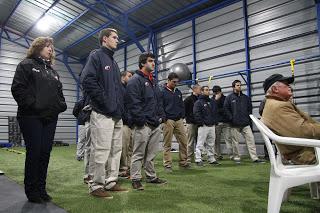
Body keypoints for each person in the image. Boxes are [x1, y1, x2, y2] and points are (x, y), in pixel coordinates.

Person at [11, 37, 67, 203]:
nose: (50, 49)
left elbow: (60, 96)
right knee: (34, 152)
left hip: (50, 118)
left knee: (44, 153)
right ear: (38, 47)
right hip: (31, 116)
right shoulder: (26, 64)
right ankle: (31, 191)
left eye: (52, 46)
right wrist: (34, 105)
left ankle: (41, 188)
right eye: (47, 46)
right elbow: (17, 89)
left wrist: (60, 106)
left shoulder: (53, 72)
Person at [81, 28, 127, 198]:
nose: (117, 40)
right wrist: (106, 103)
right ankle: (96, 186)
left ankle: (111, 181)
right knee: (101, 150)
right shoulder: (96, 56)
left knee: (116, 150)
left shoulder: (113, 63)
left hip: (116, 114)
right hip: (102, 112)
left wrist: (119, 108)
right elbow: (87, 80)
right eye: (115, 37)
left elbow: (118, 90)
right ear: (105, 39)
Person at [126, 52, 167, 190]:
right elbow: (133, 103)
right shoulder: (135, 80)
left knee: (151, 154)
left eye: (154, 61)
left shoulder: (154, 81)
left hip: (155, 123)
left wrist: (161, 117)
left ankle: (151, 176)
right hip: (143, 124)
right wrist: (141, 121)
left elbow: (159, 101)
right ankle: (136, 178)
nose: (153, 63)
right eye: (150, 61)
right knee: (138, 153)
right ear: (143, 63)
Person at [261, 74, 320, 164]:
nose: (289, 86)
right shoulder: (279, 106)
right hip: (305, 154)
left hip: (303, 150)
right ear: (275, 89)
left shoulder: (274, 104)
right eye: (286, 84)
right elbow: (304, 131)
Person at [224, 80, 264, 164]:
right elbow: (226, 109)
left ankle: (254, 158)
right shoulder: (229, 98)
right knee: (235, 142)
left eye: (240, 85)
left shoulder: (246, 98)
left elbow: (250, 109)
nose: (239, 86)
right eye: (237, 85)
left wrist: (248, 119)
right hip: (234, 124)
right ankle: (237, 157)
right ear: (233, 87)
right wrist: (231, 118)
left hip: (245, 123)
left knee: (251, 140)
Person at [161, 72, 189, 172]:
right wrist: (164, 118)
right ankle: (167, 165)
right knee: (167, 144)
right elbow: (160, 106)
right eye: (173, 82)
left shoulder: (178, 92)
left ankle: (183, 163)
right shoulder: (162, 92)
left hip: (179, 120)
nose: (175, 84)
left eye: (177, 82)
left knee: (184, 141)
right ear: (168, 81)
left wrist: (182, 115)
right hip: (168, 120)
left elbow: (182, 105)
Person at [193, 86, 220, 166]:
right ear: (201, 91)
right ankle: (198, 159)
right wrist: (201, 123)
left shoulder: (212, 102)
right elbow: (196, 114)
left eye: (209, 90)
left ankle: (211, 158)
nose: (208, 91)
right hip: (203, 126)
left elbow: (215, 112)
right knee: (200, 143)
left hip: (212, 125)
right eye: (206, 90)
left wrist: (215, 122)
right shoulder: (198, 102)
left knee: (211, 143)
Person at [119, 70, 134, 178]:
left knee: (130, 147)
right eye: (129, 76)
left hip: (130, 123)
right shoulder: (119, 88)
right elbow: (121, 107)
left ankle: (128, 168)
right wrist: (126, 118)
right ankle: (122, 170)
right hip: (123, 122)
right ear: (123, 77)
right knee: (123, 148)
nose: (131, 78)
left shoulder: (128, 89)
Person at [211, 85, 232, 160]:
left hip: (226, 122)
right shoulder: (212, 100)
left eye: (217, 92)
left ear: (220, 91)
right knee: (216, 140)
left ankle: (231, 155)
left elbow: (226, 109)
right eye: (214, 92)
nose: (215, 94)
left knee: (228, 139)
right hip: (217, 122)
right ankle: (218, 155)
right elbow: (213, 110)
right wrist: (216, 101)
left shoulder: (226, 98)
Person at [184, 84, 201, 163]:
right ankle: (189, 158)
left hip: (199, 123)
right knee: (190, 141)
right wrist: (188, 118)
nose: (200, 90)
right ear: (194, 90)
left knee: (199, 142)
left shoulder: (200, 99)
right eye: (199, 89)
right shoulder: (188, 99)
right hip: (190, 123)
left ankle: (198, 157)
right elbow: (184, 111)